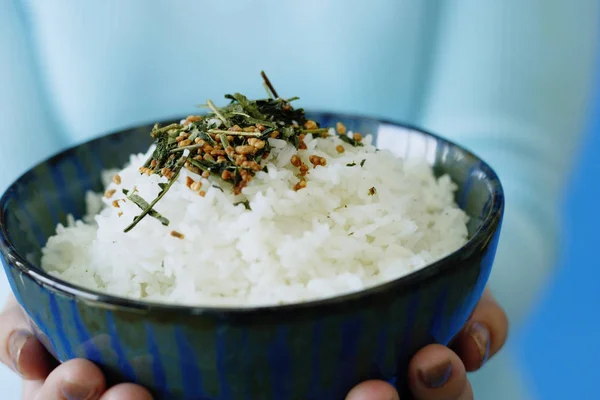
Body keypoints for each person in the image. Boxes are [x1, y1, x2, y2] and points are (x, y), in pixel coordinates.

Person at [0, 1, 597, 399]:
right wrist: (16, 305)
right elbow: (19, 191)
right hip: (89, 376)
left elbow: (500, 161)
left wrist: (458, 310)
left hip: (407, 374)